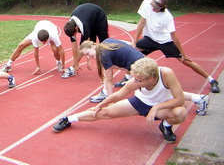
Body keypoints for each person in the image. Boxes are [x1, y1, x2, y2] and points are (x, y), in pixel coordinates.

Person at [53, 57, 190, 143]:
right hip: (140, 102)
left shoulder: (166, 74)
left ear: (151, 78)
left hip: (161, 107)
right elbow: (118, 95)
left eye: (139, 80)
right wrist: (100, 104)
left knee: (180, 113)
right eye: (134, 78)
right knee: (104, 112)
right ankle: (68, 119)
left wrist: (156, 107)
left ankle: (166, 126)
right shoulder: (136, 80)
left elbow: (180, 99)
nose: (135, 81)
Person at [80, 39, 210, 115]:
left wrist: (110, 102)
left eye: (88, 53)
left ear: (93, 46)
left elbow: (109, 80)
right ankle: (199, 98)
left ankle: (199, 98)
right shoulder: (106, 42)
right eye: (85, 56)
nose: (88, 57)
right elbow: (128, 45)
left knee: (157, 93)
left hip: (140, 69)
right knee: (161, 90)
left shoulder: (103, 55)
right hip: (143, 63)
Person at [132, 0, 220, 93]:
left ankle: (211, 80)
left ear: (162, 7)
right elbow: (141, 23)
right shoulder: (146, 3)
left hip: (164, 41)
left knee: (186, 61)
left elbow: (173, 36)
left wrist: (183, 53)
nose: (153, 8)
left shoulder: (167, 16)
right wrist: (135, 41)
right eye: (153, 5)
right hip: (150, 39)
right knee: (132, 53)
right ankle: (127, 77)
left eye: (156, 8)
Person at [0, 20, 65, 75]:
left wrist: (63, 67)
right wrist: (38, 66)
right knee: (21, 45)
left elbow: (61, 50)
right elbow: (36, 51)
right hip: (40, 26)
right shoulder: (35, 36)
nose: (44, 43)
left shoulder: (53, 35)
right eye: (42, 42)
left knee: (55, 49)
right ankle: (8, 65)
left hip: (51, 27)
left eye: (45, 41)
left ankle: (59, 63)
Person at [62, 3, 109, 78]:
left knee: (105, 45)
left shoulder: (83, 25)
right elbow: (74, 47)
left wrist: (88, 61)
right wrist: (76, 63)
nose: (74, 36)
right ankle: (72, 68)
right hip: (90, 19)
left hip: (99, 17)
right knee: (83, 48)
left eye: (75, 34)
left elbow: (86, 47)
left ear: (76, 29)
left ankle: (107, 69)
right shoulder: (70, 25)